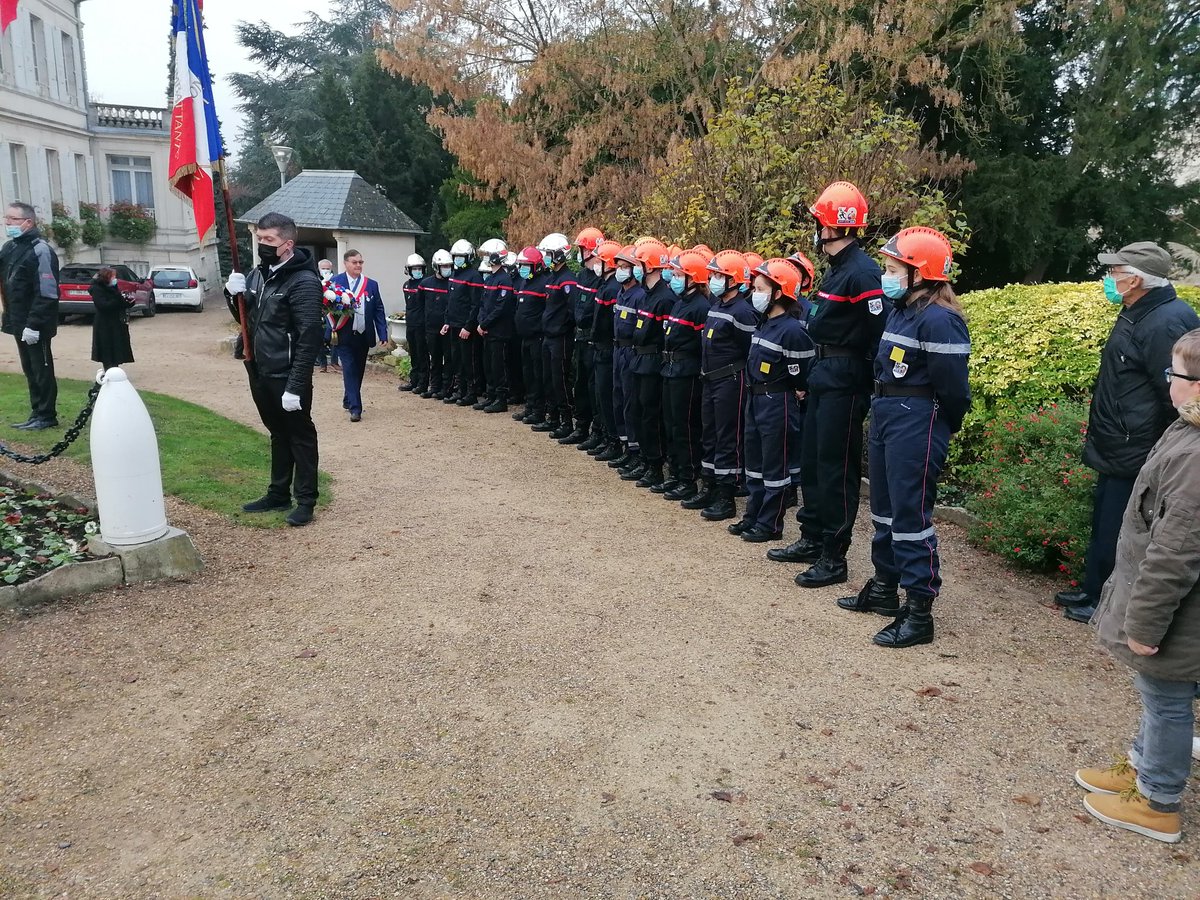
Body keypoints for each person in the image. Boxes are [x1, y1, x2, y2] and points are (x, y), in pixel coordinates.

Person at [1073, 328, 1200, 844]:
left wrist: (1143, 624)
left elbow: (1175, 554)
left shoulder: (1194, 459)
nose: (1168, 382)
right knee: (1155, 696)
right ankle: (1143, 765)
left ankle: (1159, 800)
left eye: (1177, 374)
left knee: (1168, 700)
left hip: (1180, 619)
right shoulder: (1185, 432)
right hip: (1172, 612)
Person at [836, 228, 970, 648]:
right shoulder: (901, 310)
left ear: (919, 274)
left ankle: (919, 611)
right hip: (887, 413)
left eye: (894, 269)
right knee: (884, 511)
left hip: (918, 420)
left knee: (910, 516)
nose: (886, 276)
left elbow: (954, 390)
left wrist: (941, 424)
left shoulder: (940, 320)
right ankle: (883, 588)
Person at [1055, 242, 1200, 623]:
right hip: (1119, 441)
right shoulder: (1138, 310)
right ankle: (1092, 589)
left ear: (1134, 279)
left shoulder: (1166, 321)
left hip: (1136, 446)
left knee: (1123, 527)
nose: (1108, 278)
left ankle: (1103, 602)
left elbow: (1176, 396)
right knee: (1105, 518)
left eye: (1114, 272)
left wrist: (1162, 450)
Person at [787, 181, 886, 588]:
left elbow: (877, 331)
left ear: (832, 226)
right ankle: (812, 535)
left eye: (817, 221)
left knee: (835, 469)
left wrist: (864, 380)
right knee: (812, 460)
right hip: (823, 374)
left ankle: (834, 554)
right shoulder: (837, 270)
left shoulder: (862, 271)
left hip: (845, 380)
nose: (814, 228)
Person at [223, 212, 322, 527]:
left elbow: (309, 337)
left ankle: (305, 500)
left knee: (300, 436)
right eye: (260, 238)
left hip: (287, 374)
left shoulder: (304, 281)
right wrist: (232, 294)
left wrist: (296, 385)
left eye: (270, 240)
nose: (263, 244)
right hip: (259, 369)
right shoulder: (257, 275)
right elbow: (247, 320)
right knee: (278, 434)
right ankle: (278, 493)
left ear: (288, 244)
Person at [728, 258, 814, 542]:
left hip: (777, 402)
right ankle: (752, 516)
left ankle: (770, 524)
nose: (755, 293)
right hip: (755, 399)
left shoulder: (792, 330)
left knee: (775, 466)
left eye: (761, 288)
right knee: (754, 462)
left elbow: (801, 374)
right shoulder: (764, 324)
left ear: (779, 293)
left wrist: (796, 390)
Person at [686, 248, 756, 518]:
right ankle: (710, 486)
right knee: (710, 434)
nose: (713, 279)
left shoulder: (742, 312)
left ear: (734, 280)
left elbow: (748, 350)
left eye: (719, 275)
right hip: (711, 380)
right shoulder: (717, 306)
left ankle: (726, 497)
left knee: (727, 438)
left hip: (730, 381)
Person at [1, 201, 61, 431]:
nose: (8, 223)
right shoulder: (11, 247)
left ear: (28, 222)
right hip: (18, 322)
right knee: (30, 370)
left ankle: (47, 415)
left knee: (42, 369)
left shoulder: (40, 249)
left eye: (12, 219)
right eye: (6, 219)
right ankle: (36, 411)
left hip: (35, 325)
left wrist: (34, 324)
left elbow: (47, 292)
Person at [658, 245, 711, 501]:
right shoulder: (680, 303)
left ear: (693, 277)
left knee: (685, 426)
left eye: (679, 274)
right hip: (671, 369)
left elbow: (702, 344)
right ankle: (677, 473)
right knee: (671, 423)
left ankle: (688, 478)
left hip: (687, 372)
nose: (675, 279)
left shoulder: (700, 306)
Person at [622, 239, 674, 489]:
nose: (635, 269)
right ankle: (645, 459)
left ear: (650, 266)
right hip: (639, 359)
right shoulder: (646, 295)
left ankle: (655, 465)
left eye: (639, 264)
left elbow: (665, 336)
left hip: (653, 362)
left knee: (651, 416)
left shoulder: (664, 298)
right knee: (639, 412)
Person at [329, 249, 388, 422]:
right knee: (349, 369)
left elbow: (378, 309)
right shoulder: (335, 283)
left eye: (360, 262)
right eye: (354, 262)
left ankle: (349, 398)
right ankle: (356, 408)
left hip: (363, 335)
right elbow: (326, 307)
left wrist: (382, 332)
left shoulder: (371, 284)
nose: (358, 265)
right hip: (344, 334)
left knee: (359, 370)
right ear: (346, 263)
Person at [611, 245, 648, 479]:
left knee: (631, 403)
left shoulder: (640, 296)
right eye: (619, 267)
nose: (621, 271)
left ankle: (636, 449)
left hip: (631, 352)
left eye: (626, 267)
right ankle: (626, 445)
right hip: (618, 349)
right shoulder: (621, 292)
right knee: (619, 398)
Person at [568, 227, 605, 448]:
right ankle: (581, 426)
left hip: (593, 340)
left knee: (594, 387)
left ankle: (597, 431)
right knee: (580, 384)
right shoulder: (582, 275)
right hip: (580, 338)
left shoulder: (601, 280)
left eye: (582, 248)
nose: (579, 253)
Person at [589, 239, 625, 461]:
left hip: (608, 349)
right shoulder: (605, 286)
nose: (596, 264)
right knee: (600, 394)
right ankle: (605, 436)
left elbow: (608, 323)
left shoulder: (612, 289)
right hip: (600, 348)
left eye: (600, 261)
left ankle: (613, 440)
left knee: (608, 396)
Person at [539, 232, 577, 439]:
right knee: (549, 378)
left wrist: (562, 328)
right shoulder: (552, 277)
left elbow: (572, 312)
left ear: (559, 255)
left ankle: (566, 421)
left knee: (560, 379)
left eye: (548, 254)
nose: (545, 257)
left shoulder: (568, 280)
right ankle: (552, 416)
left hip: (561, 338)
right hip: (548, 336)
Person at [477, 241, 517, 412]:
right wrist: (481, 322)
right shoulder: (491, 278)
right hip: (487, 330)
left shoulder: (504, 279)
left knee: (498, 365)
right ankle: (491, 395)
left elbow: (501, 307)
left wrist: (485, 323)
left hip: (499, 331)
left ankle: (500, 399)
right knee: (489, 365)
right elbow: (483, 303)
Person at [443, 238, 484, 407]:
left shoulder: (474, 276)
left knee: (469, 361)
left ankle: (471, 392)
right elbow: (450, 301)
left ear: (468, 257)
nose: (457, 259)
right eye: (456, 256)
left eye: (461, 256)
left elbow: (476, 304)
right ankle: (460, 390)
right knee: (456, 359)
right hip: (453, 324)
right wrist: (447, 321)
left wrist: (468, 326)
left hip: (466, 327)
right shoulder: (453, 275)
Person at [514, 246, 552, 426]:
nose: (522, 268)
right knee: (527, 373)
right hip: (525, 337)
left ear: (536, 266)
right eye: (521, 265)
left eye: (526, 265)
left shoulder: (543, 283)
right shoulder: (524, 283)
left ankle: (539, 410)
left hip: (537, 337)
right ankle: (530, 406)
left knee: (538, 375)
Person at [420, 250, 453, 400]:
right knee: (435, 358)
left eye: (448, 265)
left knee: (448, 359)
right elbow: (420, 303)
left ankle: (446, 388)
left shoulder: (452, 283)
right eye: (443, 266)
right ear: (436, 266)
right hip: (431, 328)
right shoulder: (425, 284)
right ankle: (434, 387)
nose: (447, 268)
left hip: (447, 328)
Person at [89, 267, 135, 373]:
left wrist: (129, 302)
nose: (115, 279)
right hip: (104, 324)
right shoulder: (97, 289)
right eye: (113, 276)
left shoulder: (113, 287)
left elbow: (120, 301)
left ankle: (115, 367)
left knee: (117, 347)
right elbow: (103, 305)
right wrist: (118, 301)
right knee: (107, 349)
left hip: (116, 322)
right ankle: (109, 370)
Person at [399, 253, 427, 392]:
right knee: (413, 354)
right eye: (414, 269)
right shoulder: (406, 285)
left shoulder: (425, 284)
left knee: (422, 354)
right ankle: (413, 380)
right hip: (410, 323)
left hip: (422, 325)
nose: (417, 271)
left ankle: (423, 382)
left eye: (419, 268)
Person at [316, 259, 335, 373]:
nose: (325, 270)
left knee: (331, 337)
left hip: (331, 313)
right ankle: (322, 363)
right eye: (323, 268)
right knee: (318, 338)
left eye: (327, 268)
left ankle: (334, 361)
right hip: (318, 312)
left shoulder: (334, 281)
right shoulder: (315, 280)